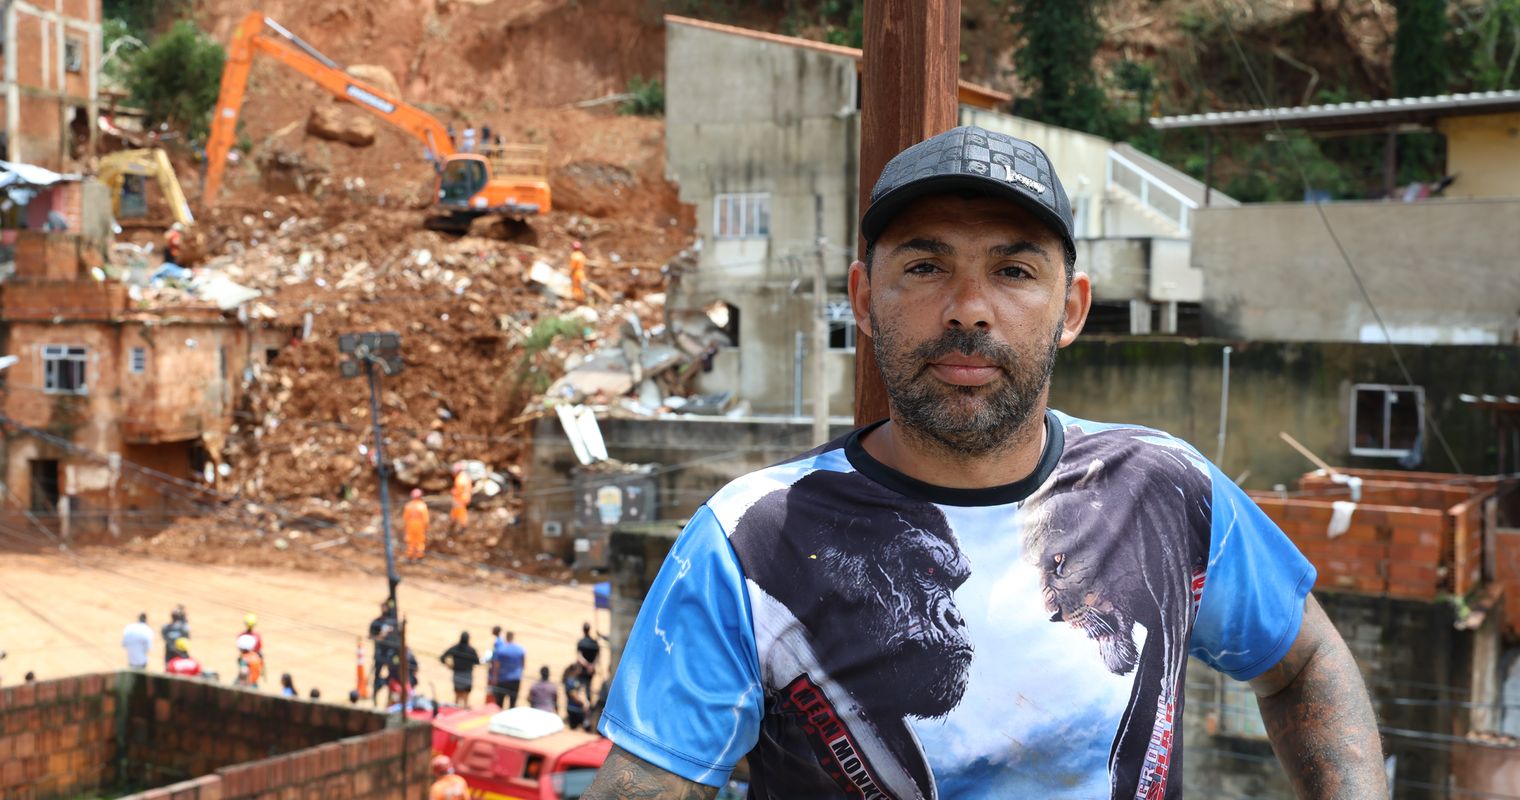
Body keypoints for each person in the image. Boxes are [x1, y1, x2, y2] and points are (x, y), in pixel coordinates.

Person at [583, 126, 1385, 799]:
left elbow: (1306, 661)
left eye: (1014, 271)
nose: (968, 308)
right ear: (864, 301)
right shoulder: (750, 542)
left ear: (1071, 309)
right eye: (925, 267)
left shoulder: (1167, 490)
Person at [439, 631, 480, 707]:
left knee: (457, 697)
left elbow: (442, 658)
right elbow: (477, 662)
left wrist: (449, 666)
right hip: (467, 675)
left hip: (457, 674)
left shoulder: (455, 648)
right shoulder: (471, 650)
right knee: (465, 698)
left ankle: (456, 710)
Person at [369, 600, 398, 705]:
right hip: (379, 655)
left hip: (391, 656)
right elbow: (371, 636)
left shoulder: (393, 622)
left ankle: (389, 700)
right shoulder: (376, 622)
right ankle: (375, 699)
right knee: (377, 678)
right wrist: (381, 636)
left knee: (392, 678)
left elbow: (398, 639)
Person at [490, 631, 524, 709]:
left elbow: (496, 665)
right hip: (515, 679)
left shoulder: (501, 649)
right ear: (512, 637)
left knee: (499, 704)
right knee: (512, 704)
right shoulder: (520, 649)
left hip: (502, 679)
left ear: (506, 637)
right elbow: (523, 664)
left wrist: (494, 678)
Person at [575, 622, 601, 701]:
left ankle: (583, 705)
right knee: (588, 688)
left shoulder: (581, 642)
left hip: (582, 670)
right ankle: (588, 703)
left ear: (583, 630)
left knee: (579, 689)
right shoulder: (594, 642)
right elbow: (598, 657)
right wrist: (591, 666)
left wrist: (587, 665)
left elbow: (579, 657)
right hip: (591, 670)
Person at [561, 659, 589, 730]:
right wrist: (583, 703)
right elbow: (573, 695)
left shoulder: (575, 680)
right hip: (574, 708)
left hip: (577, 708)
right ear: (575, 670)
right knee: (574, 730)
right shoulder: (570, 681)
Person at [403, 488, 430, 561]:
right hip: (419, 525)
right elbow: (425, 519)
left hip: (410, 524)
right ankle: (419, 556)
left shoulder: (408, 505)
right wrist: (426, 527)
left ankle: (409, 556)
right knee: (420, 541)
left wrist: (406, 526)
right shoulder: (422, 506)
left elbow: (405, 517)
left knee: (410, 540)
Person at [450, 465, 473, 532]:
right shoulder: (465, 476)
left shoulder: (459, 479)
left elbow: (459, 490)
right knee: (455, 510)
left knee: (461, 512)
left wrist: (453, 492)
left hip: (460, 498)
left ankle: (464, 526)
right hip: (466, 496)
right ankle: (453, 521)